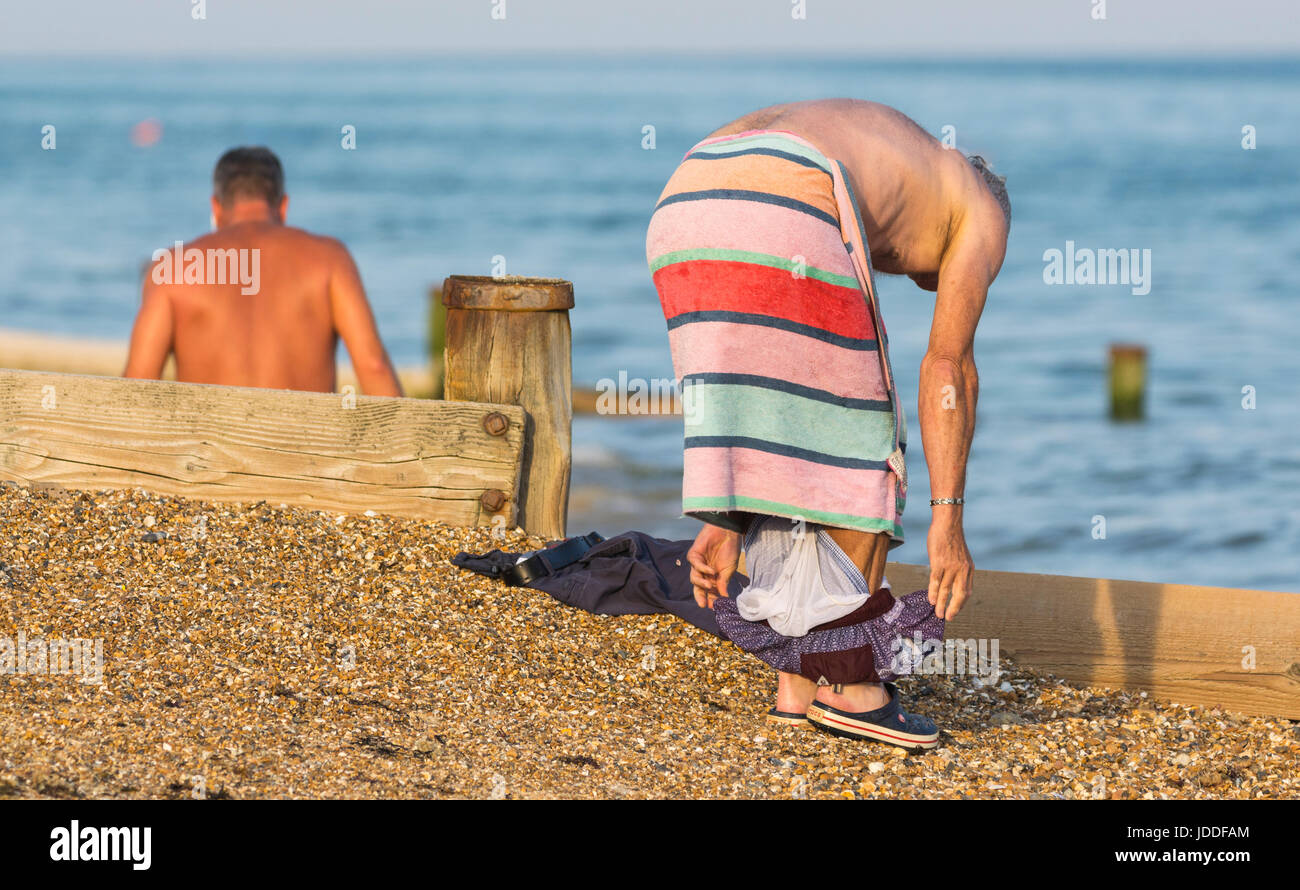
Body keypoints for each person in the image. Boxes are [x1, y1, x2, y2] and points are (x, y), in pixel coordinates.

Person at [646, 99, 1009, 748]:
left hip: (683, 198)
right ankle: (848, 686)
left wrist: (722, 513)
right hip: (790, 190)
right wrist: (948, 521)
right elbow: (947, 370)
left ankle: (796, 684)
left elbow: (750, 393)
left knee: (791, 412)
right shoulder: (983, 208)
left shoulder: (903, 159)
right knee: (865, 437)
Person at [124, 146, 402, 396]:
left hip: (207, 452)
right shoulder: (330, 259)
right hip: (307, 450)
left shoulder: (174, 269)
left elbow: (136, 389)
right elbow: (374, 366)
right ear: (283, 206)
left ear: (215, 208)